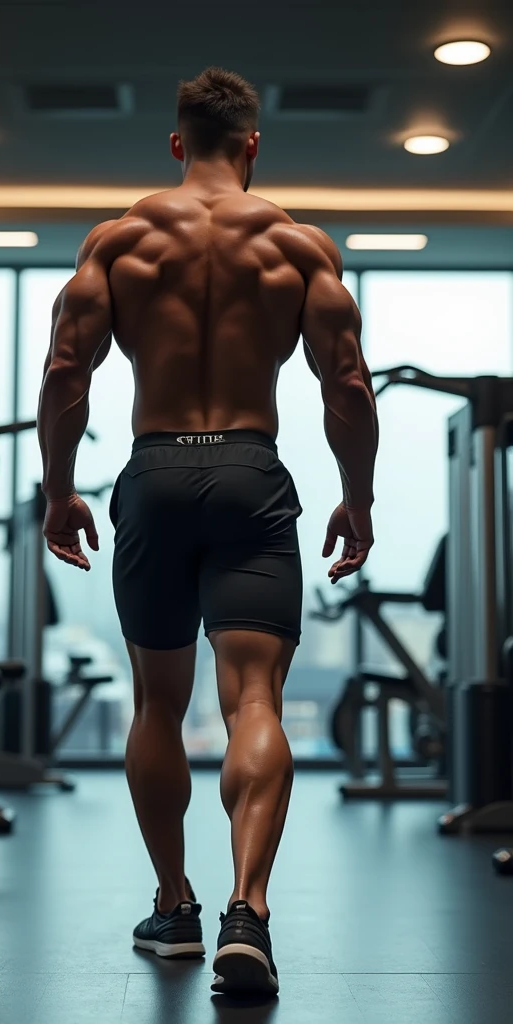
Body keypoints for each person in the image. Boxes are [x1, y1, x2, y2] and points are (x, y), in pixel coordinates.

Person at [37, 66, 379, 999]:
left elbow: (69, 369)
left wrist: (58, 489)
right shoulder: (297, 246)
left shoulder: (121, 239)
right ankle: (248, 913)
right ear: (255, 144)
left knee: (156, 704)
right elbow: (345, 385)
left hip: (152, 472)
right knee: (254, 703)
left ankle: (175, 904)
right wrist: (361, 498)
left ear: (179, 142)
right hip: (248, 471)